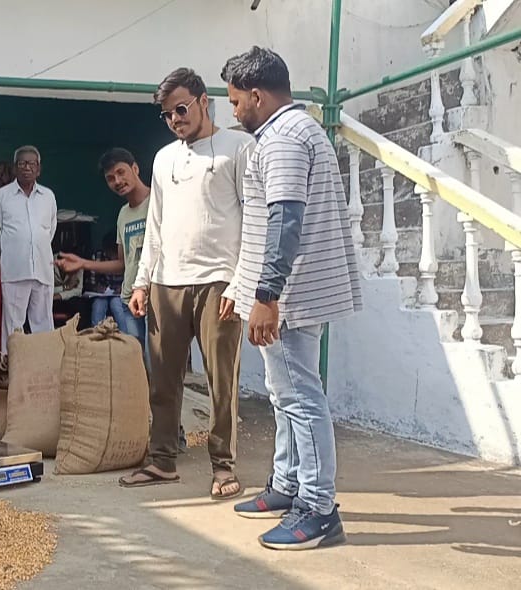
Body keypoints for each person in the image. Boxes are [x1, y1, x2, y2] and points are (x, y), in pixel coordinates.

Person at [223, 47, 361, 550]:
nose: (234, 111)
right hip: (290, 291)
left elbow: (285, 219)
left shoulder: (280, 138)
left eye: (236, 101)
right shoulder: (300, 130)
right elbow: (267, 223)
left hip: (289, 296)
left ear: (258, 96)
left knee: (301, 398)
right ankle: (287, 484)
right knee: (286, 395)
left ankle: (319, 510)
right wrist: (243, 288)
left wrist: (266, 295)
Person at [120, 68, 255, 502]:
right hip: (166, 282)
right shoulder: (163, 159)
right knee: (162, 379)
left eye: (181, 109)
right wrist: (142, 282)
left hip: (219, 282)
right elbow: (154, 225)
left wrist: (240, 283)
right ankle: (161, 460)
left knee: (221, 380)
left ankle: (223, 465)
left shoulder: (238, 148)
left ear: (203, 101)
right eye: (167, 114)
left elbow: (255, 219)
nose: (176, 119)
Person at [56, 148, 149, 351]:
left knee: (160, 365)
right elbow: (122, 264)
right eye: (110, 178)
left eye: (121, 172)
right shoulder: (123, 214)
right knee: (138, 367)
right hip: (129, 302)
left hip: (156, 300)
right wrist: (83, 263)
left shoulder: (159, 203)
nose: (117, 181)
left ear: (135, 168)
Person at [0, 146, 57, 367]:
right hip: (14, 268)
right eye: (22, 163)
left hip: (42, 268)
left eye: (31, 164)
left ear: (39, 169)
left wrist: (35, 247)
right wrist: (16, 250)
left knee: (43, 321)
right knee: (13, 323)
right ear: (14, 168)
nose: (26, 167)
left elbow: (50, 230)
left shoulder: (48, 196)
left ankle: (44, 366)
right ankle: (11, 367)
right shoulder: (2, 196)